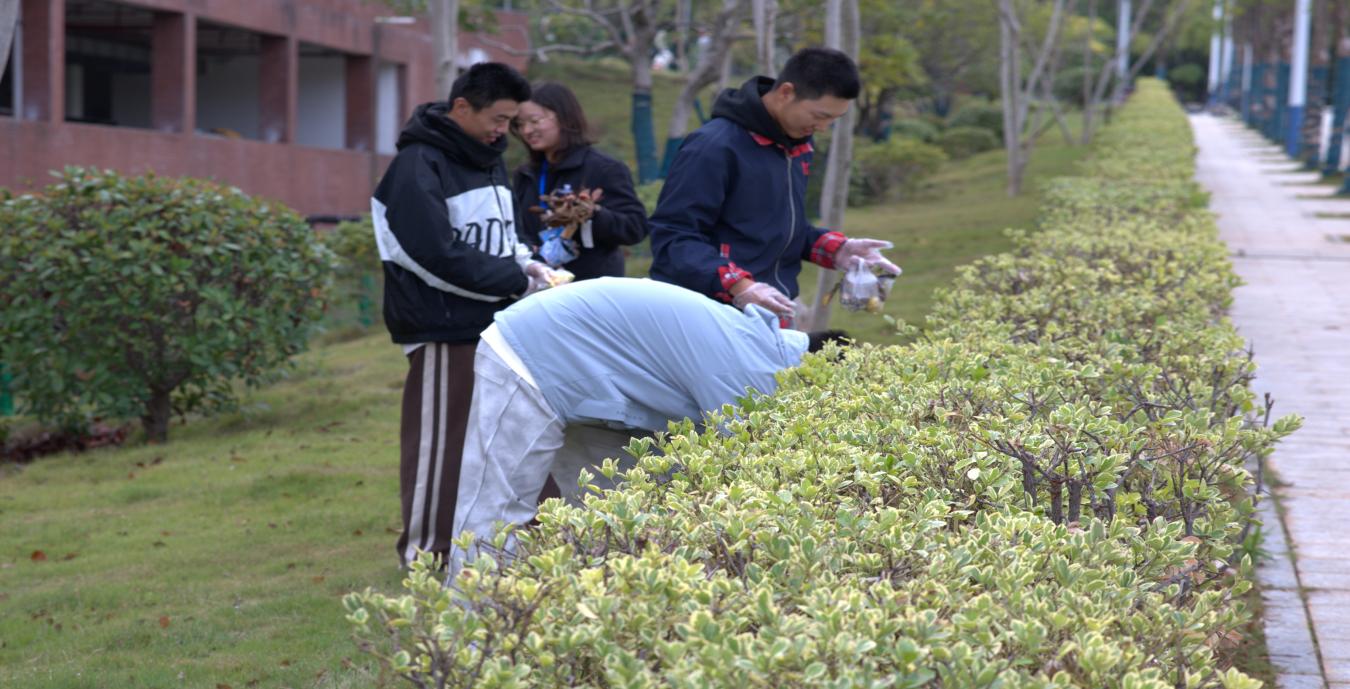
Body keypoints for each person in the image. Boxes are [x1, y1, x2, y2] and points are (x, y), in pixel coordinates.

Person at [447, 277, 847, 575]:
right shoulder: (757, 372)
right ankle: (469, 641)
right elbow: (750, 477)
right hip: (530, 350)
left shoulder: (763, 351)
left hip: (598, 384)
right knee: (496, 509)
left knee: (617, 517)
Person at [370, 62, 561, 568]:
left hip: (501, 327)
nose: (505, 130)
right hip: (443, 331)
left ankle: (540, 547)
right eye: (498, 119)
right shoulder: (416, 165)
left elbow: (504, 236)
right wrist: (512, 280)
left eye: (511, 121)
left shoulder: (489, 159)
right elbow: (428, 254)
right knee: (443, 446)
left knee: (518, 436)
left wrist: (527, 264)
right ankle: (427, 558)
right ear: (461, 107)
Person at [648, 47, 900, 323]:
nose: (823, 127)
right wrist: (740, 286)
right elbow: (673, 237)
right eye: (820, 116)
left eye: (833, 120)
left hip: (771, 311)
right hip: (707, 313)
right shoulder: (714, 147)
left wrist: (838, 250)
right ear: (786, 92)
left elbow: (777, 228)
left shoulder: (796, 146)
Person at [511, 82, 650, 280]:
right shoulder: (526, 174)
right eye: (520, 124)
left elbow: (635, 228)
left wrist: (592, 214)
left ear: (564, 116)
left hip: (590, 286)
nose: (526, 130)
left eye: (535, 121)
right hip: (539, 285)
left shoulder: (604, 168)